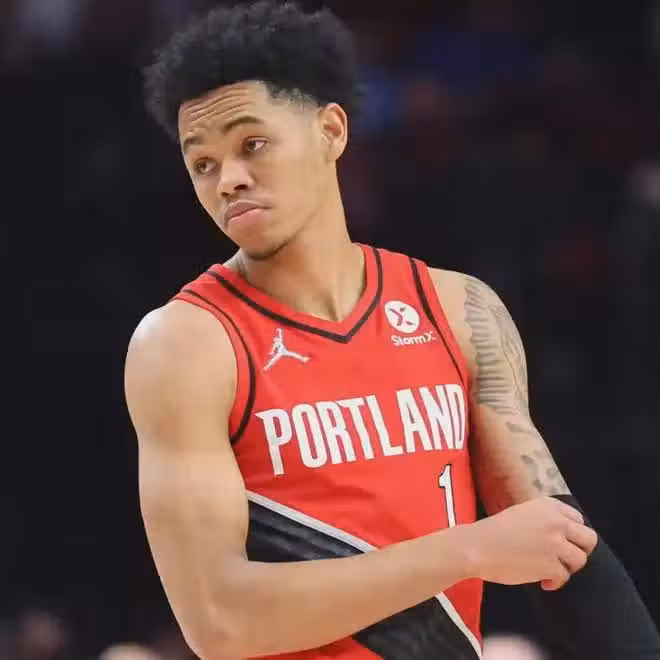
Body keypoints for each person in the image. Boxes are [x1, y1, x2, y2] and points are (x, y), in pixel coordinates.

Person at [125, 2, 660, 658]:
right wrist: (464, 550)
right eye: (203, 163)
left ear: (330, 131)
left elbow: (561, 548)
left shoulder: (457, 309)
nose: (229, 179)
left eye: (252, 144)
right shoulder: (186, 343)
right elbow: (220, 622)